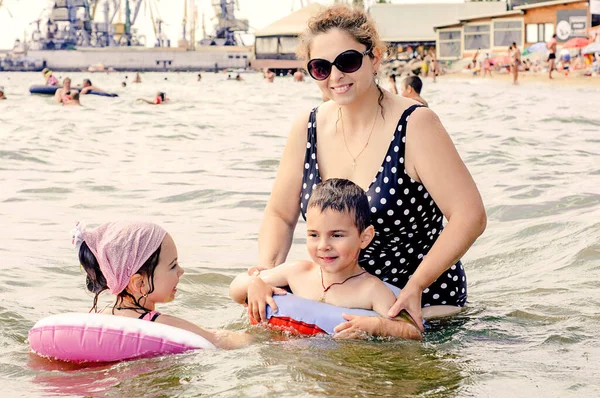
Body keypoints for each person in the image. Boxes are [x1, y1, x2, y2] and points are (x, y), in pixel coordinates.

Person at [252, 5, 486, 334]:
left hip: (418, 310)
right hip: (340, 305)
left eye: (347, 61)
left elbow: (470, 216)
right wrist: (265, 275)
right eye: (320, 67)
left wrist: (416, 285)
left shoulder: (416, 125)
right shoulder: (307, 127)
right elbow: (280, 213)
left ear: (374, 57)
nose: (335, 77)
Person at [230, 179, 422, 340]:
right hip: (288, 361)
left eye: (336, 235)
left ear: (365, 237)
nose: (323, 245)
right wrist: (254, 283)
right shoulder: (297, 272)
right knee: (232, 339)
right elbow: (235, 290)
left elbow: (413, 331)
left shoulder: (371, 290)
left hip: (337, 366)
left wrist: (378, 325)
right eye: (314, 235)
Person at [72, 221, 252, 350]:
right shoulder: (162, 324)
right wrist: (262, 337)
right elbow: (217, 339)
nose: (181, 271)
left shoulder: (97, 317)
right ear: (139, 283)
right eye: (173, 265)